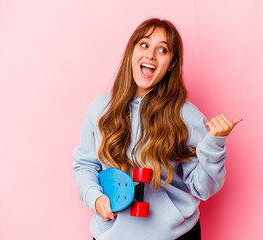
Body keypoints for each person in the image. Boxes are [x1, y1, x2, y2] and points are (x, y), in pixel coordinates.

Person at [72, 18, 242, 240]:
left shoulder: (186, 116)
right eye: (144, 44)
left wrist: (214, 145)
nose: (151, 55)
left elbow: (203, 188)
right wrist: (94, 197)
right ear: (132, 51)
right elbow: (85, 165)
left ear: (172, 63)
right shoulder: (100, 109)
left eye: (162, 50)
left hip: (173, 236)